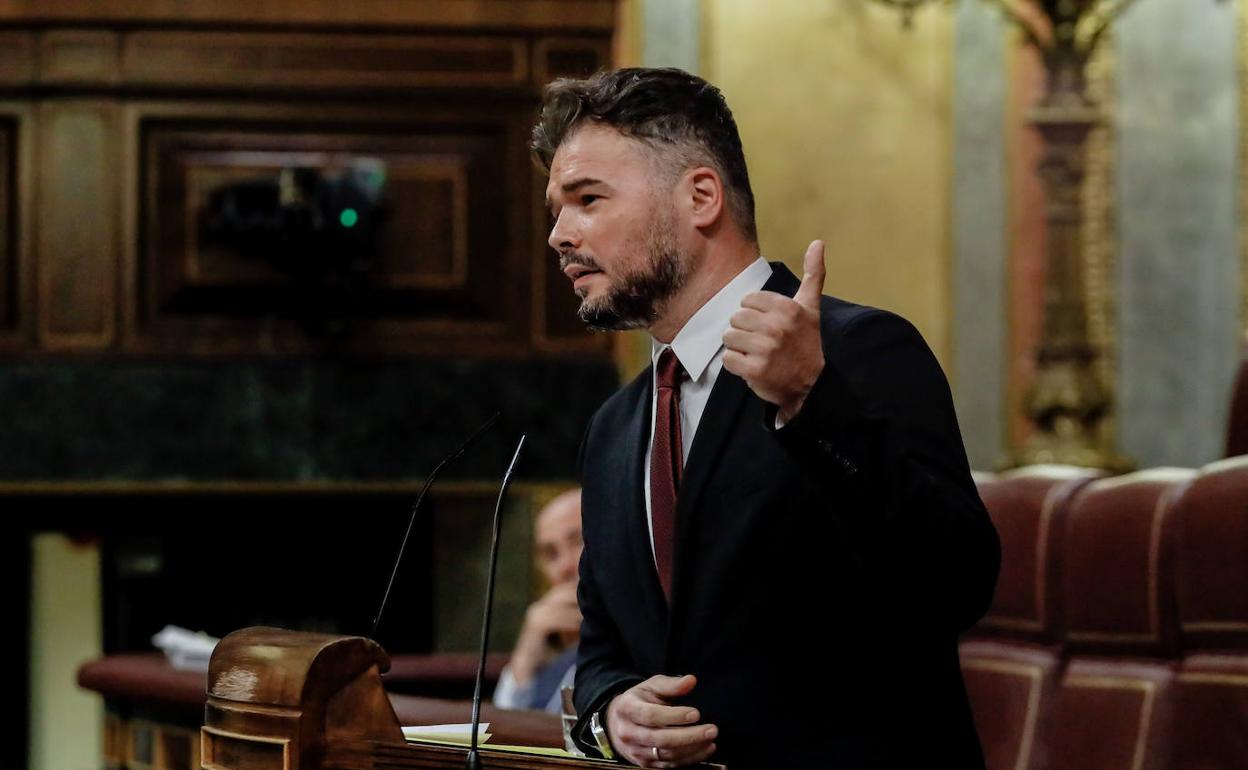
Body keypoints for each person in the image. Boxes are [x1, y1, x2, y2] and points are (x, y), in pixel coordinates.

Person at [532, 67, 1001, 769]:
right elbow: (605, 652)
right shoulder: (616, 427)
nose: (560, 236)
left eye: (587, 199)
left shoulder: (856, 353)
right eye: (555, 211)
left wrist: (812, 402)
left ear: (700, 196)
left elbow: (956, 582)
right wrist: (612, 715)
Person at [492, 488, 583, 713]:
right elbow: (506, 726)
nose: (564, 567)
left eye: (579, 541)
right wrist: (525, 658)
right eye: (551, 554)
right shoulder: (557, 649)